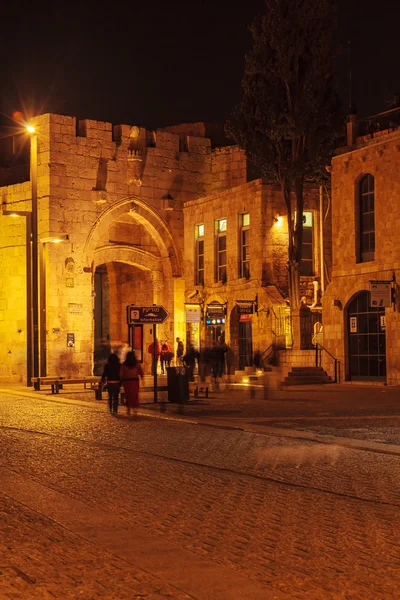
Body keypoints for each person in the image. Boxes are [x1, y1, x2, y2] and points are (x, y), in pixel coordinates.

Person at [120, 351, 144, 416]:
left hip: (127, 381)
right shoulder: (136, 363)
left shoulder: (124, 364)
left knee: (128, 395)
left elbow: (121, 374)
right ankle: (135, 410)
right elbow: (141, 372)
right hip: (135, 381)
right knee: (135, 395)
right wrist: (142, 379)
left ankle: (128, 409)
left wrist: (121, 381)